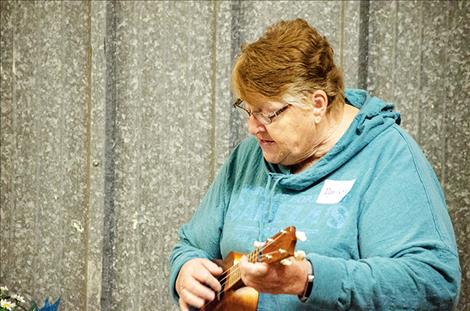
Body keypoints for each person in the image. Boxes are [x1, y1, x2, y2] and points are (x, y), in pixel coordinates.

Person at [169, 18, 461, 310]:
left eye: (267, 114)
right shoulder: (249, 156)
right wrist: (184, 271)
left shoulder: (388, 158)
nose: (251, 127)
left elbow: (433, 283)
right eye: (247, 110)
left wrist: (309, 279)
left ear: (317, 104)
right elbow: (191, 244)